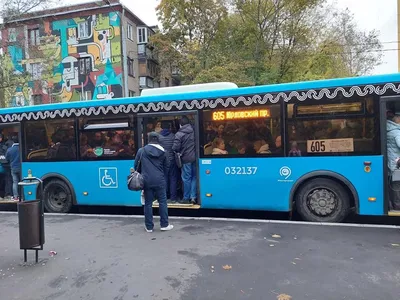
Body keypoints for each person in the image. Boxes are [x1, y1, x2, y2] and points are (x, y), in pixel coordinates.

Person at [134, 132, 173, 232]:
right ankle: (164, 224)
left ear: (149, 139)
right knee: (162, 202)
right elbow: (167, 166)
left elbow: (136, 166)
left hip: (146, 180)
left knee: (148, 203)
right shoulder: (163, 151)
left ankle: (149, 227)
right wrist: (162, 175)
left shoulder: (142, 151)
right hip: (160, 180)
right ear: (158, 139)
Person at [172, 116, 197, 204]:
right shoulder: (194, 131)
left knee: (186, 178)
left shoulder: (179, 134)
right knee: (194, 177)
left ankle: (186, 197)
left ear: (180, 124)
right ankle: (193, 197)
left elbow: (175, 147)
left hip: (185, 159)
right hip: (194, 157)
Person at [159, 121, 179, 203]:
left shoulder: (159, 137)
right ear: (169, 127)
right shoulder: (173, 136)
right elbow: (175, 147)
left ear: (161, 127)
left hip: (163, 161)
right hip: (172, 160)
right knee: (173, 179)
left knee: (165, 179)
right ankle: (173, 197)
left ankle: (165, 196)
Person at [387, 113, 400, 210]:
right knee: (396, 185)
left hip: (391, 162)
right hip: (396, 163)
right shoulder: (396, 132)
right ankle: (397, 205)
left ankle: (393, 204)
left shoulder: (388, 130)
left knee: (393, 184)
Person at [5, 135, 20, 201]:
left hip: (13, 168)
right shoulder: (21, 148)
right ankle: (22, 195)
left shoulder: (9, 150)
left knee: (15, 182)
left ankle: (16, 197)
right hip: (21, 168)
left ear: (13, 141)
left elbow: (6, 159)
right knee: (22, 181)